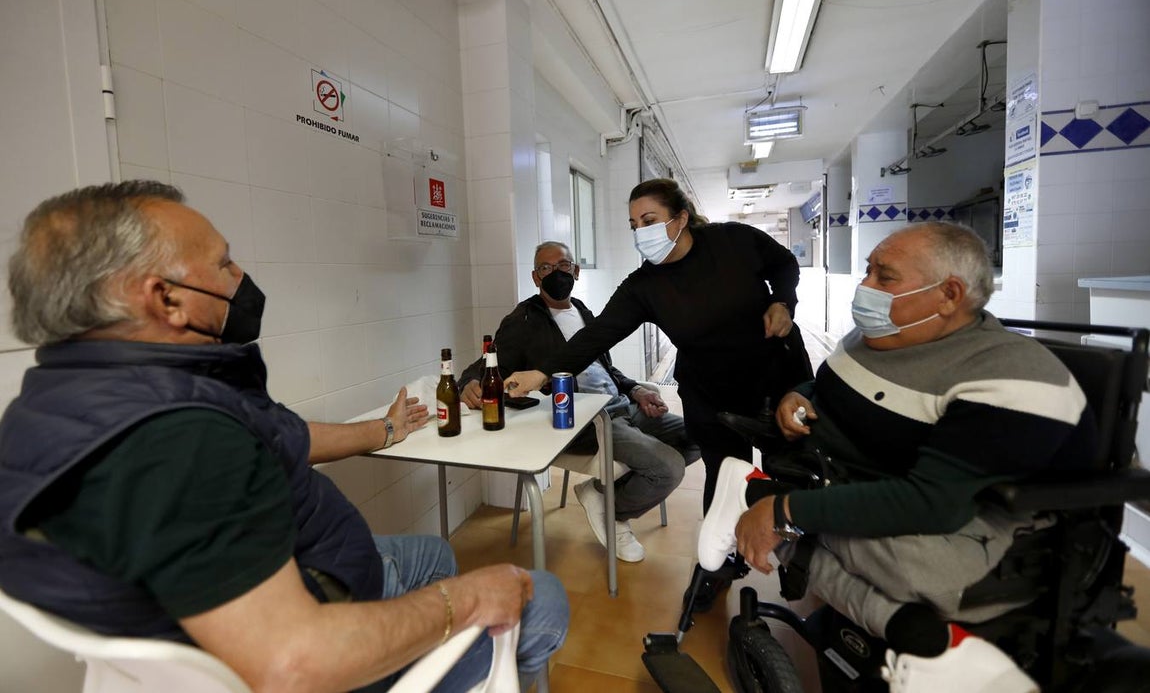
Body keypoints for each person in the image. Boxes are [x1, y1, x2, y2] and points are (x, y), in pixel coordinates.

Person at [0, 181, 569, 693]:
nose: (240, 276)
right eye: (223, 263)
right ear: (164, 298)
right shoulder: (176, 439)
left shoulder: (66, 397)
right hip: (311, 633)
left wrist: (385, 429)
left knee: (433, 552)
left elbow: (275, 437)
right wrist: (465, 600)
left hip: (294, 574)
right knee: (538, 597)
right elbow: (294, 663)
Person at [696, 222, 1097, 693]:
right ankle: (924, 641)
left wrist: (786, 511)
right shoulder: (871, 342)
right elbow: (827, 390)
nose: (864, 286)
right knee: (869, 547)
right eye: (868, 272)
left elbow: (934, 505)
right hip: (858, 479)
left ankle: (757, 499)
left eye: (884, 278)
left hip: (980, 521)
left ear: (948, 294)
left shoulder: (1008, 375)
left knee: (926, 572)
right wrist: (800, 396)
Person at [503, 180, 803, 511]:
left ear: (681, 218)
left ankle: (799, 553)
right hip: (712, 394)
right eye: (635, 225)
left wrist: (782, 302)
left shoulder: (733, 240)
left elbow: (784, 263)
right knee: (726, 481)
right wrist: (543, 372)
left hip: (779, 379)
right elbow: (598, 334)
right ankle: (721, 560)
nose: (641, 232)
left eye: (649, 221)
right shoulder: (644, 286)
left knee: (792, 474)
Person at [459, 241, 698, 563]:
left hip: (621, 406)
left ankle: (600, 494)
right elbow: (489, 363)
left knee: (700, 437)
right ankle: (615, 513)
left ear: (576, 270)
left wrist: (636, 391)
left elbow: (606, 368)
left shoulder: (583, 311)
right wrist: (468, 382)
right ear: (535, 277)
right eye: (546, 268)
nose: (556, 273)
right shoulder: (523, 320)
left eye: (563, 265)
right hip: (584, 421)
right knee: (667, 468)